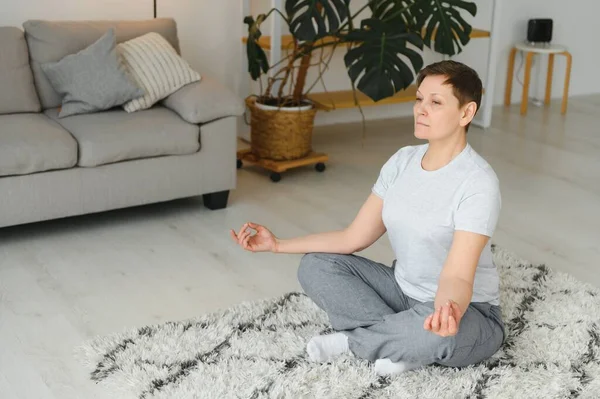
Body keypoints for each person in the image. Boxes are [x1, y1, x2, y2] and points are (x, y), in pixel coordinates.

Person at [230, 60, 505, 376]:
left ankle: (354, 343)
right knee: (316, 265)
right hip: (401, 292)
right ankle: (402, 344)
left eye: (436, 102)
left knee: (440, 332)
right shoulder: (402, 161)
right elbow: (353, 238)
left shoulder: (477, 182)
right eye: (419, 99)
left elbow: (457, 276)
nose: (421, 110)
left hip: (467, 311)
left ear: (466, 113)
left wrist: (444, 312)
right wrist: (277, 244)